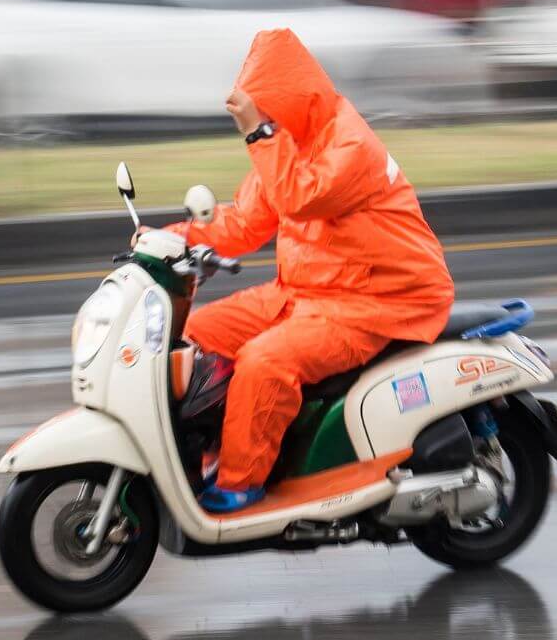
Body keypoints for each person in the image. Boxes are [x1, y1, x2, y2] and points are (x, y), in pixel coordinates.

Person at [163, 29, 455, 512]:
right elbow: (244, 223)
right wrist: (171, 238)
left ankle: (241, 482)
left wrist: (259, 134)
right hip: (305, 293)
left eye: (269, 109)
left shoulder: (349, 143)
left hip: (372, 303)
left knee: (264, 362)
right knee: (195, 333)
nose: (265, 119)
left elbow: (304, 196)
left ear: (293, 98)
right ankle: (209, 448)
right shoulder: (288, 143)